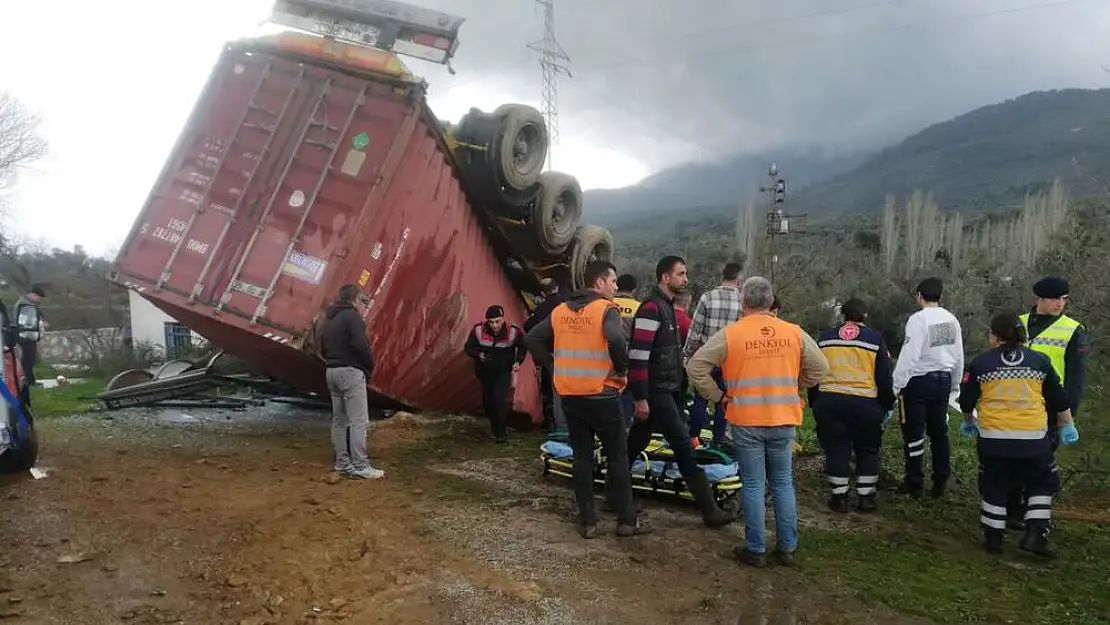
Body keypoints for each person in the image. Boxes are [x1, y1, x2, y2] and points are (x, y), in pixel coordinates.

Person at [687, 276, 828, 567]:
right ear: (770, 301)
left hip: (747, 420)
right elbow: (821, 367)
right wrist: (796, 384)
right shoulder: (793, 333)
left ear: (744, 302)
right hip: (783, 419)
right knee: (783, 483)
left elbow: (696, 365)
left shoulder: (731, 334)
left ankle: (756, 549)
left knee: (752, 484)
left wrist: (718, 396)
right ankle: (787, 547)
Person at [524, 260, 650, 539]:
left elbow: (532, 337)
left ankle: (588, 520)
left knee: (581, 457)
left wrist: (552, 366)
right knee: (617, 456)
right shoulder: (606, 309)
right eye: (613, 281)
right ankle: (626, 521)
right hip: (603, 395)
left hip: (570, 395)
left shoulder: (559, 311)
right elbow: (616, 339)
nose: (616, 287)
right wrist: (621, 369)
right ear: (599, 283)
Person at [958, 312, 1079, 558]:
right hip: (1032, 440)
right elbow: (1059, 398)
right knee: (1041, 484)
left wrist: (969, 421)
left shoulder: (981, 363)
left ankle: (993, 538)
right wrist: (1067, 424)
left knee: (994, 484)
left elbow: (967, 400)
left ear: (994, 336)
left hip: (994, 439)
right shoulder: (1040, 361)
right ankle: (1035, 535)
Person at [628, 256, 736, 529]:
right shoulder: (651, 309)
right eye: (681, 274)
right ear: (665, 277)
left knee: (633, 444)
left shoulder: (666, 309)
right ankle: (710, 511)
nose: (685, 279)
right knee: (684, 448)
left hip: (669, 391)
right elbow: (638, 357)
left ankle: (613, 495)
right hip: (657, 393)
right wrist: (640, 397)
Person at [1007, 276, 1089, 529]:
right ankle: (1013, 509)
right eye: (1055, 298)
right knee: (1012, 460)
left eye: (1064, 299)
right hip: (1015, 403)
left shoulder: (1073, 330)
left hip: (1050, 407)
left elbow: (1076, 377)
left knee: (1038, 463)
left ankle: (1031, 514)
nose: (1059, 303)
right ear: (1039, 299)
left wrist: (1068, 416)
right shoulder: (1017, 324)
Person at [809, 298, 895, 513]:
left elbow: (814, 371)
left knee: (837, 448)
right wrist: (887, 404)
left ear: (843, 316)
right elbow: (884, 376)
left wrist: (815, 402)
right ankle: (866, 498)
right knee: (867, 449)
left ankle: (839, 497)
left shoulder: (825, 337)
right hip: (865, 403)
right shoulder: (875, 339)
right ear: (864, 316)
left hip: (830, 402)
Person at [892, 277, 964, 499]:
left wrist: (896, 386)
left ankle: (914, 480)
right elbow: (958, 354)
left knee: (914, 432)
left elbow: (909, 355)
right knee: (939, 432)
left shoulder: (918, 319)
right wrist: (954, 384)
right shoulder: (952, 320)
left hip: (918, 382)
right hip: (943, 380)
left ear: (918, 296)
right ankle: (941, 477)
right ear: (940, 297)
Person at [319, 284, 384, 480]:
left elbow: (320, 343)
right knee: (358, 421)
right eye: (361, 300)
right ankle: (361, 465)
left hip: (331, 371)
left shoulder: (328, 318)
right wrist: (369, 364)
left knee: (340, 421)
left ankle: (342, 462)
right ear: (355, 299)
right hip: (350, 372)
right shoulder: (353, 317)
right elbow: (359, 344)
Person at [682, 262, 743, 445]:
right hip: (729, 360)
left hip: (706, 358)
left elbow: (695, 330)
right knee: (724, 401)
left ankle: (694, 437)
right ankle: (718, 438)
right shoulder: (743, 301)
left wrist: (687, 355)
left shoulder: (708, 298)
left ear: (722, 276)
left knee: (700, 400)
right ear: (739, 279)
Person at [464, 304, 527, 443]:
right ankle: (495, 427)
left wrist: (518, 361)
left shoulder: (513, 332)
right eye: (491, 322)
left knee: (499, 400)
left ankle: (501, 433)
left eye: (497, 321)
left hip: (503, 371)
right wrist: (478, 355)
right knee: (488, 402)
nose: (494, 325)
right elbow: (468, 347)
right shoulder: (478, 330)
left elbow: (523, 346)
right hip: (484, 371)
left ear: (503, 319)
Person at [524, 278, 568, 433]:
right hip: (570, 352)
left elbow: (528, 327)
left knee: (552, 391)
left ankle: (555, 426)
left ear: (542, 292)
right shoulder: (567, 304)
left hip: (550, 354)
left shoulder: (542, 309)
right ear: (557, 287)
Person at [613, 274, 640, 426]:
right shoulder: (639, 307)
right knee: (627, 388)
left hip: (606, 351)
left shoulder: (607, 303)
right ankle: (624, 424)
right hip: (630, 352)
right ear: (634, 289)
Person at [14, 285, 46, 393]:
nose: (39, 301)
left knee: (29, 360)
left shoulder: (26, 304)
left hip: (26, 337)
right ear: (33, 294)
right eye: (39, 298)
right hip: (27, 337)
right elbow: (27, 323)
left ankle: (30, 381)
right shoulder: (25, 306)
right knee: (28, 360)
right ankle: (29, 382)